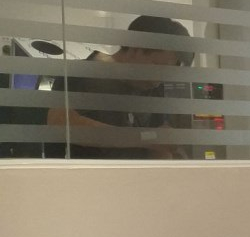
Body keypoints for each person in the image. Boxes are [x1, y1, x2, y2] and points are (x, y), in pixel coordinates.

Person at [46, 15, 193, 159]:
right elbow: (60, 123)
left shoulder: (152, 89)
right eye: (159, 67)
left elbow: (159, 146)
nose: (160, 80)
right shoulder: (80, 73)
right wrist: (146, 137)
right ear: (136, 49)